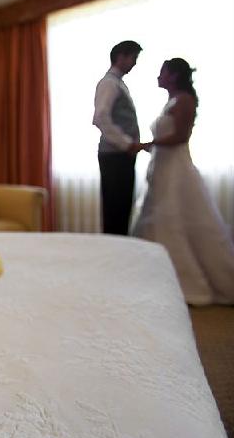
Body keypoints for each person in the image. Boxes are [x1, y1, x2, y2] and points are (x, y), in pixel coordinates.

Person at [132, 58, 234, 305]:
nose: (159, 76)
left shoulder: (185, 100)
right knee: (158, 216)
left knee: (172, 216)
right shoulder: (172, 100)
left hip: (176, 168)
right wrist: (150, 147)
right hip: (162, 166)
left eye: (163, 72)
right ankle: (158, 277)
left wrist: (148, 144)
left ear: (175, 75)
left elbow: (180, 136)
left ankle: (188, 283)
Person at [93, 40, 144, 235]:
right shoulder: (109, 83)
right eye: (133, 58)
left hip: (119, 155)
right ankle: (115, 248)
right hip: (115, 155)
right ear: (121, 57)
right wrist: (127, 144)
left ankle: (119, 245)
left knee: (121, 209)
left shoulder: (118, 83)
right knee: (116, 210)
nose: (135, 63)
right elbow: (101, 118)